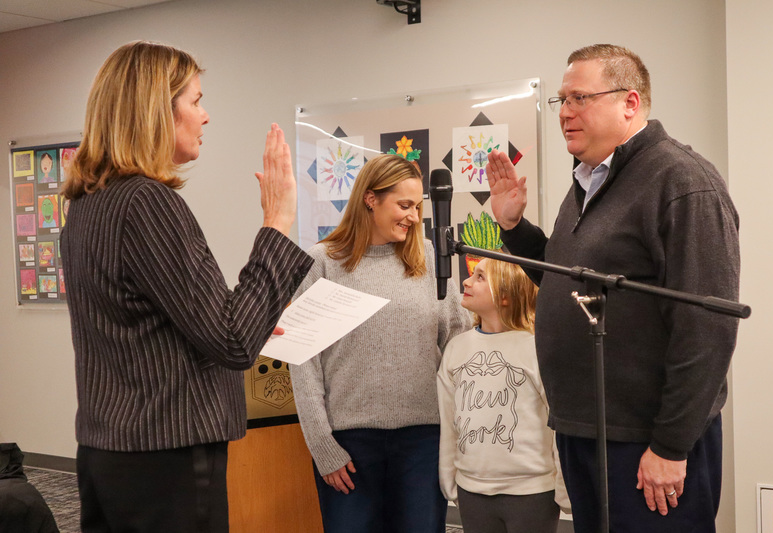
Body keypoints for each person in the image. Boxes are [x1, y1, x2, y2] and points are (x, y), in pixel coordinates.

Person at [60, 41, 313, 532]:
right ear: (157, 110)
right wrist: (277, 220)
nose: (205, 116)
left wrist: (254, 314)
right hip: (164, 460)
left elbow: (167, 324)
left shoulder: (91, 203)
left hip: (110, 451)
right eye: (195, 101)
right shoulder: (147, 203)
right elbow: (233, 340)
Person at [486, 44, 740, 533]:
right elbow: (572, 287)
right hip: (585, 430)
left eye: (579, 98)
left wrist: (670, 445)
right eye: (560, 101)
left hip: (646, 442)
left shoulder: (682, 182)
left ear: (630, 102)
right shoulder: (588, 182)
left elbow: (707, 329)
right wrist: (516, 230)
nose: (564, 113)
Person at [289, 153, 470, 533]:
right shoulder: (321, 263)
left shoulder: (428, 263)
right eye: (404, 205)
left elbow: (458, 344)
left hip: (423, 442)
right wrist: (323, 447)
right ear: (370, 199)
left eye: (418, 206)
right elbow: (303, 362)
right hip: (349, 446)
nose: (413, 216)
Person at [437, 257, 570, 533]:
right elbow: (449, 422)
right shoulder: (456, 349)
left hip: (532, 493)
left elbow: (560, 425)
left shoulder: (537, 348)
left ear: (507, 295)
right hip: (471, 491)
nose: (466, 281)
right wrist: (449, 479)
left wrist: (564, 489)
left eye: (480, 277)